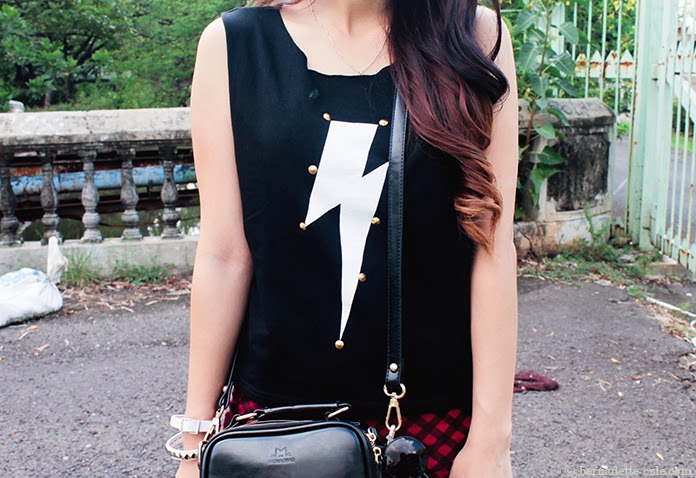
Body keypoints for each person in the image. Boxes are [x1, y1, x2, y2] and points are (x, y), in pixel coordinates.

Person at [173, 0, 519, 476]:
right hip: (274, 427)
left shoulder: (472, 34)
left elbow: (492, 246)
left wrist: (491, 443)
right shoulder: (235, 45)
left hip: (432, 429)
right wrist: (194, 443)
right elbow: (224, 253)